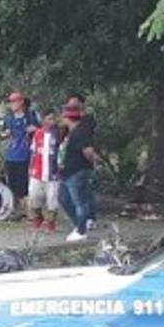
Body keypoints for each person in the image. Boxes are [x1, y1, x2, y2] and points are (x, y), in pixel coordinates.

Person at [59, 95, 97, 243]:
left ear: (67, 117)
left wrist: (89, 164)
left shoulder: (80, 132)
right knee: (63, 198)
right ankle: (78, 224)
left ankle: (81, 231)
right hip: (66, 171)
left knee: (79, 201)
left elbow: (89, 151)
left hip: (77, 171)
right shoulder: (70, 132)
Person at [2, 92, 38, 217]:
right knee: (11, 183)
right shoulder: (8, 118)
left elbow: (38, 129)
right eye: (10, 102)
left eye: (13, 101)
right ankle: (14, 209)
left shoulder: (30, 116)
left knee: (23, 184)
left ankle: (26, 210)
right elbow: (3, 133)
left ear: (21, 102)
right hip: (10, 154)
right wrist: (6, 134)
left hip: (24, 154)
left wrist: (32, 129)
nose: (11, 104)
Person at [27, 110, 61, 233]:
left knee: (52, 198)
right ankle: (37, 218)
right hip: (37, 171)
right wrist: (30, 167)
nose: (52, 122)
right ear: (43, 120)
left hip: (53, 172)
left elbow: (61, 151)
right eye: (49, 119)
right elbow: (33, 152)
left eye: (53, 119)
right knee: (34, 195)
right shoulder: (37, 134)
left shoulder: (58, 134)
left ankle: (50, 222)